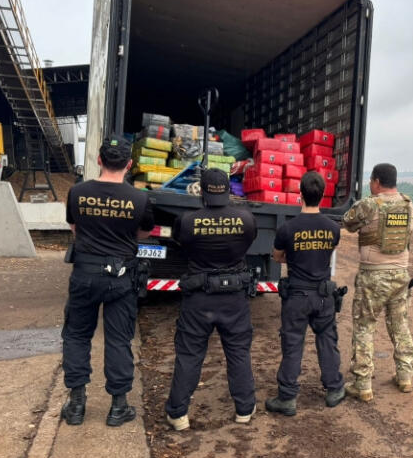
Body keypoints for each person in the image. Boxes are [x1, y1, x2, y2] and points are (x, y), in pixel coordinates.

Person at [61, 135, 155, 426]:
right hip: (121, 276)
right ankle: (118, 407)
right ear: (129, 164)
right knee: (118, 339)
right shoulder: (139, 198)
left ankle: (76, 405)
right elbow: (146, 233)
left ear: (99, 160)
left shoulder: (77, 192)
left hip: (84, 273)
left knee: (76, 335)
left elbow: (75, 227)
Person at [165, 168, 258, 429]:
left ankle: (179, 414)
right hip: (234, 298)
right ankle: (244, 410)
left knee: (190, 355)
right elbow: (249, 241)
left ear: (201, 191)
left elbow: (180, 243)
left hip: (199, 299)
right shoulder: (247, 219)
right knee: (238, 352)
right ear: (228, 190)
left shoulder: (186, 221)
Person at [265, 171, 345, 416]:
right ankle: (334, 389)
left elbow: (277, 257)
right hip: (323, 297)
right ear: (322, 196)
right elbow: (326, 251)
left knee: (292, 344)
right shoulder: (333, 228)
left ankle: (287, 398)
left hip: (297, 297)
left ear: (300, 194)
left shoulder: (287, 228)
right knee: (327, 341)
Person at [342, 163, 413, 401]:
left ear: (375, 181)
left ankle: (363, 384)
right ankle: (405, 376)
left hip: (373, 275)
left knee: (364, 326)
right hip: (401, 274)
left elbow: (348, 223)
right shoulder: (408, 204)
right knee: (399, 325)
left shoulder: (369, 204)